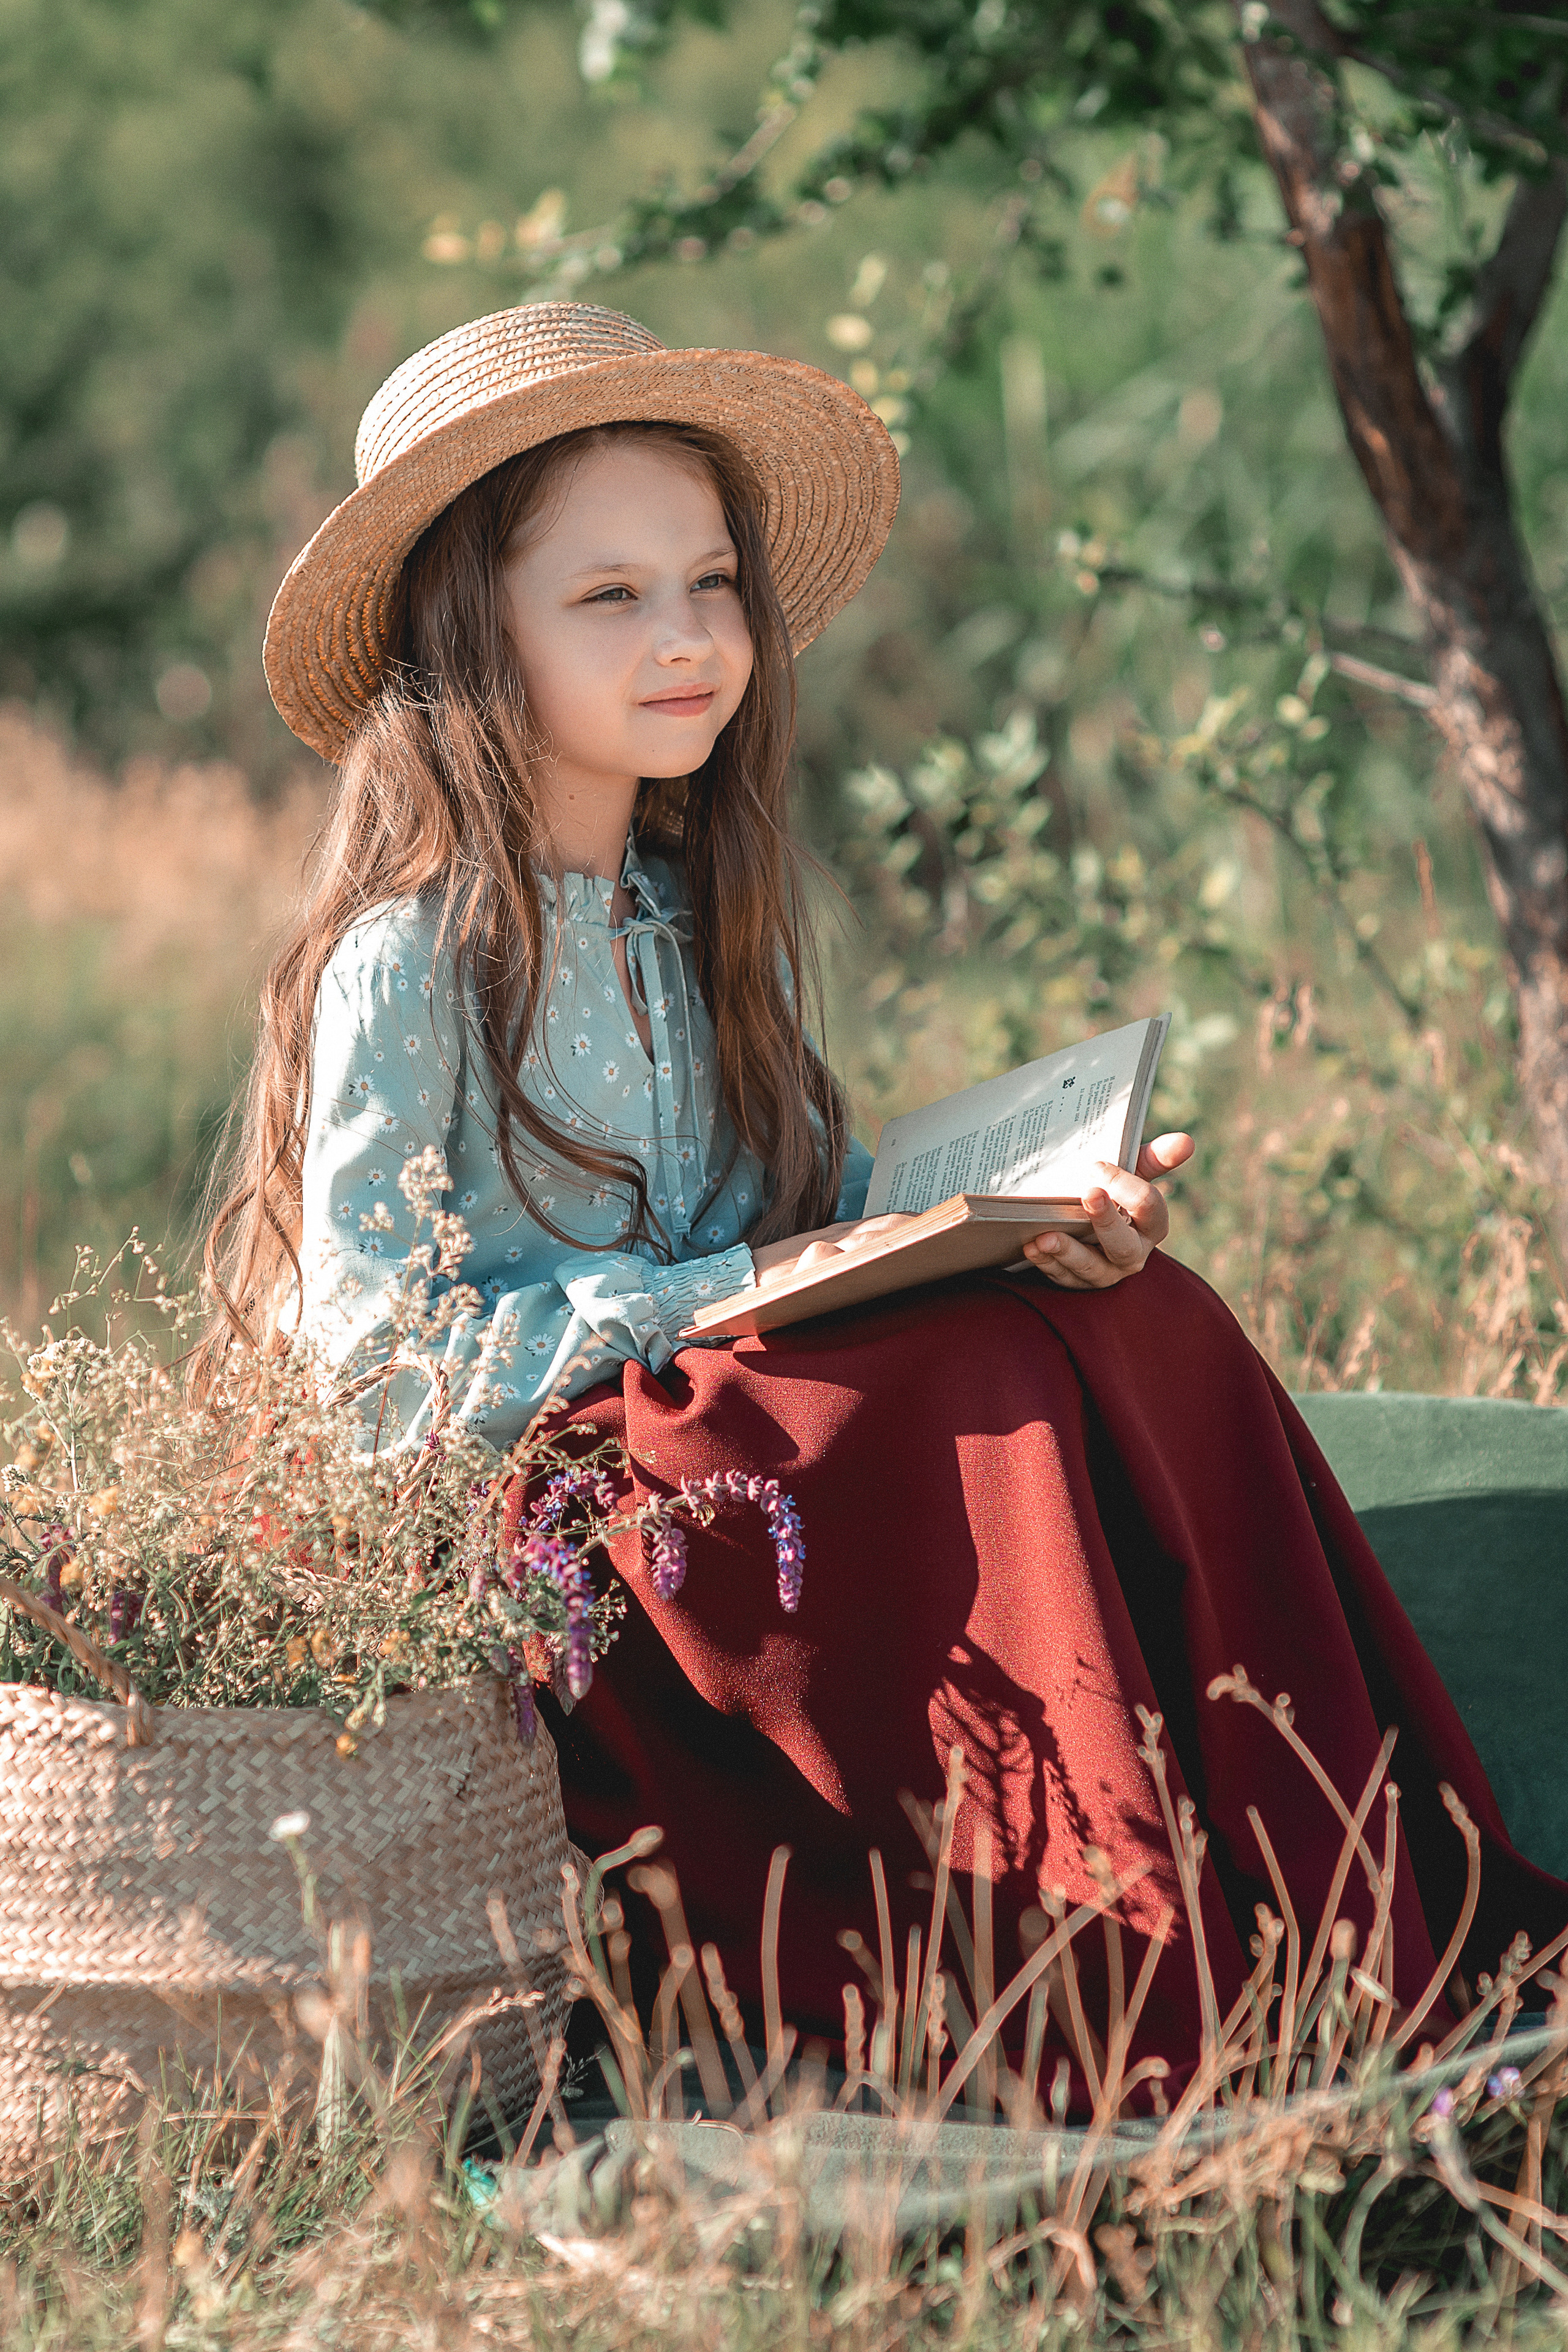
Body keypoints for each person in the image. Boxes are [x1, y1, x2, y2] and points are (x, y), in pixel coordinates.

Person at [211, 301, 1565, 2104]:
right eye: (608, 598)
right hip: (571, 1517)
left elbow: (816, 1212)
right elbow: (369, 1389)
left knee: (1123, 1313)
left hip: (730, 1426)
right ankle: (1108, 1970)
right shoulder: (415, 959)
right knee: (957, 1386)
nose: (689, 637)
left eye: (709, 583)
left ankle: (1343, 1911)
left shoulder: (696, 933)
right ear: (472, 632)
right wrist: (726, 1292)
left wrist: (1022, 1218)